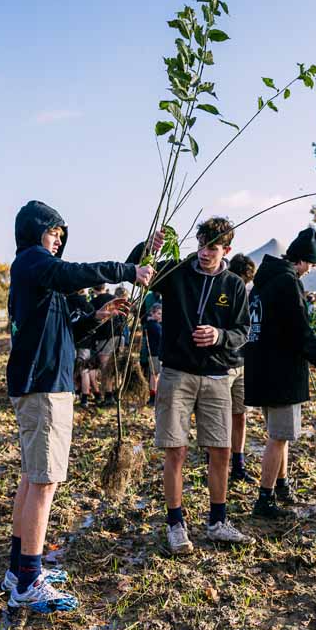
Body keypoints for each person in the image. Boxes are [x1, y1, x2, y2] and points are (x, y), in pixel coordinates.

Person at [5, 200, 158, 612]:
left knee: (32, 475)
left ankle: (19, 568)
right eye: (54, 232)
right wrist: (129, 271)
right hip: (42, 386)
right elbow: (74, 272)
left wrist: (99, 315)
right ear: (37, 232)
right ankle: (28, 582)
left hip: (41, 382)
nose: (58, 241)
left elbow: (68, 332)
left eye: (60, 235)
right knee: (45, 481)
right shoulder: (33, 261)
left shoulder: (41, 277)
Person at [128, 217, 253, 554]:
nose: (203, 252)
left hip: (216, 377)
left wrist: (220, 336)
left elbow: (243, 331)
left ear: (226, 249)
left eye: (212, 247)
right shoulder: (177, 271)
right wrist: (148, 250)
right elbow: (137, 271)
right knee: (176, 450)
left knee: (221, 450)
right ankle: (175, 524)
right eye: (200, 244)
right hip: (177, 374)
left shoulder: (234, 285)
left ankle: (217, 521)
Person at [245, 228, 316, 518]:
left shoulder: (263, 282)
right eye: (311, 265)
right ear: (302, 261)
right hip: (281, 373)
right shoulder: (288, 284)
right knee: (278, 436)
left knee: (281, 434)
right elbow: (301, 334)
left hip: (262, 368)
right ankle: (264, 500)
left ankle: (282, 485)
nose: (310, 271)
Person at [227, 253, 257, 483]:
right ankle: (215, 457)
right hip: (223, 364)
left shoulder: (250, 297)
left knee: (241, 415)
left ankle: (238, 463)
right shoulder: (222, 292)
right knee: (219, 415)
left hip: (242, 362)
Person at [140, 303, 163, 406]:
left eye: (161, 314)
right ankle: (153, 397)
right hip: (155, 353)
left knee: (154, 375)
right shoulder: (155, 326)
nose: (161, 316)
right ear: (152, 313)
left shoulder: (152, 324)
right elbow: (161, 339)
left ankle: (154, 396)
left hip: (154, 353)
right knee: (155, 375)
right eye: (158, 313)